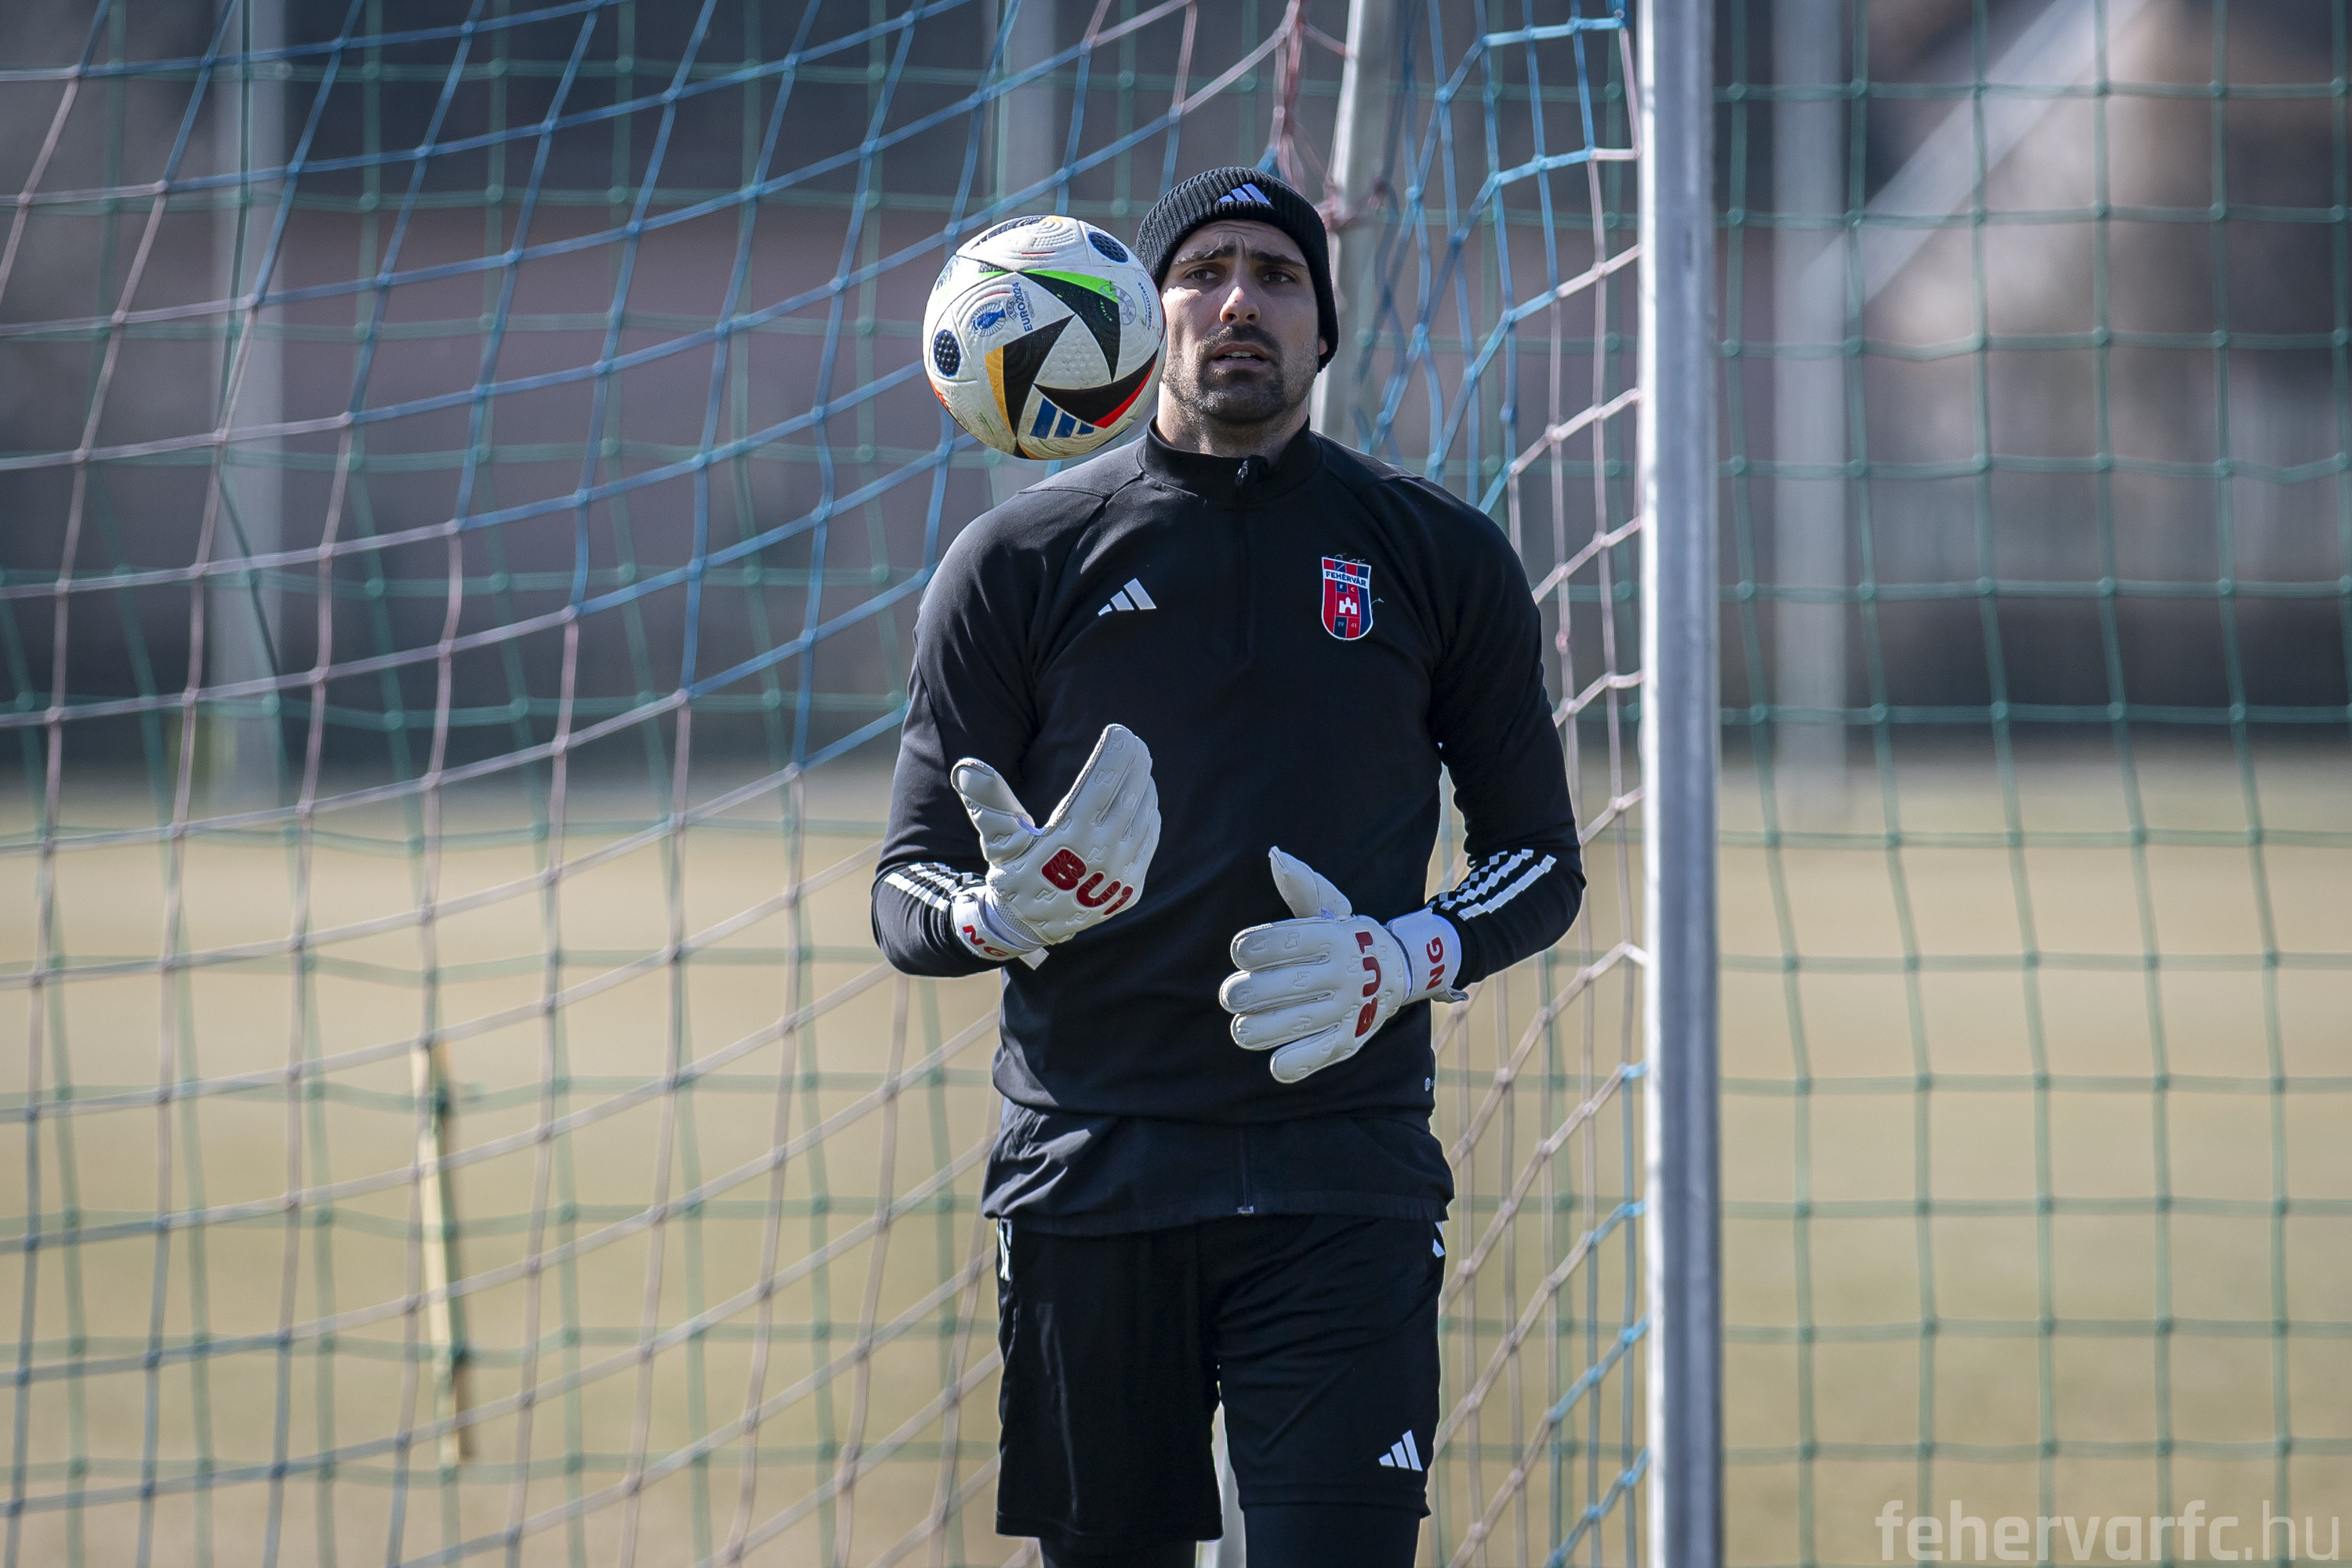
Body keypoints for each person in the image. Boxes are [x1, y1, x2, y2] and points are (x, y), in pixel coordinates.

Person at [871, 168, 1584, 1568]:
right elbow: (905, 884)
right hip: (1090, 1177)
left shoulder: (1439, 555)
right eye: (1202, 272)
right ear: (1142, 318)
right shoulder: (1016, 561)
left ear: (1325, 328)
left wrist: (1407, 956)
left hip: (1345, 1180)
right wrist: (997, 914)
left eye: (1278, 274)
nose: (1239, 300)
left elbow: (1538, 861)